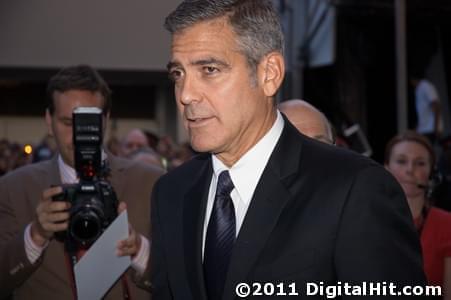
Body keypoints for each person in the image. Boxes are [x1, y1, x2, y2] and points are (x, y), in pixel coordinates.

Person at [151, 1, 427, 299]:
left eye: (209, 69)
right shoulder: (171, 193)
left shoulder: (355, 189)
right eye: (178, 74)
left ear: (270, 74)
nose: (187, 94)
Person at [0, 65, 163, 300]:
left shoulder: (151, 182)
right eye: (68, 123)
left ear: (105, 120)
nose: (78, 135)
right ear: (49, 120)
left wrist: (139, 250)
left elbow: (181, 280)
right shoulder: (13, 189)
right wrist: (35, 235)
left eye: (88, 122)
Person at [385, 130, 451, 298]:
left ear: (432, 172)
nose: (410, 170)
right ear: (386, 168)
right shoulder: (365, 221)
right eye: (401, 161)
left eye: (420, 163)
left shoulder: (446, 224)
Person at [410, 74, 442, 144]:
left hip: (430, 128)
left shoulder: (425, 86)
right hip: (423, 129)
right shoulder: (418, 89)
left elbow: (436, 105)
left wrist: (436, 127)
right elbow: (422, 113)